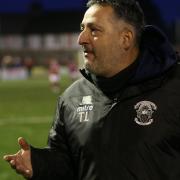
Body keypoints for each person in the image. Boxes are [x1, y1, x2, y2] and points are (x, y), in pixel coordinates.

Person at [3, 0, 180, 179]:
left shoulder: (173, 88)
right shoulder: (71, 98)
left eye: (94, 30)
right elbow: (67, 164)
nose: (81, 39)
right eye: (82, 29)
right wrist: (41, 164)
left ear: (125, 38)